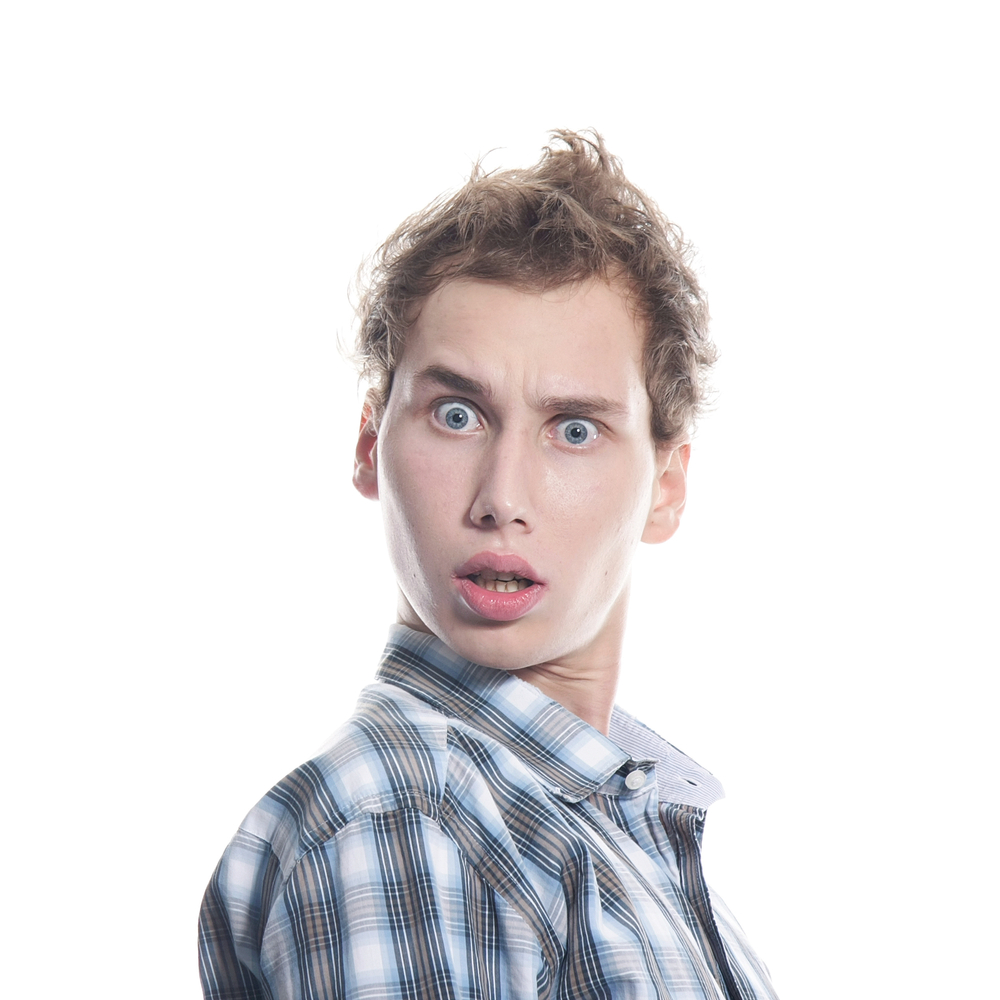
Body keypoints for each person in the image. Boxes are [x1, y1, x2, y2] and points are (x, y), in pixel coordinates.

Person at [198, 131, 779, 1000]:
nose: (502, 498)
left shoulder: (620, 842)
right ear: (369, 444)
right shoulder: (407, 815)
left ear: (666, 487)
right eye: (457, 415)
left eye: (573, 429)